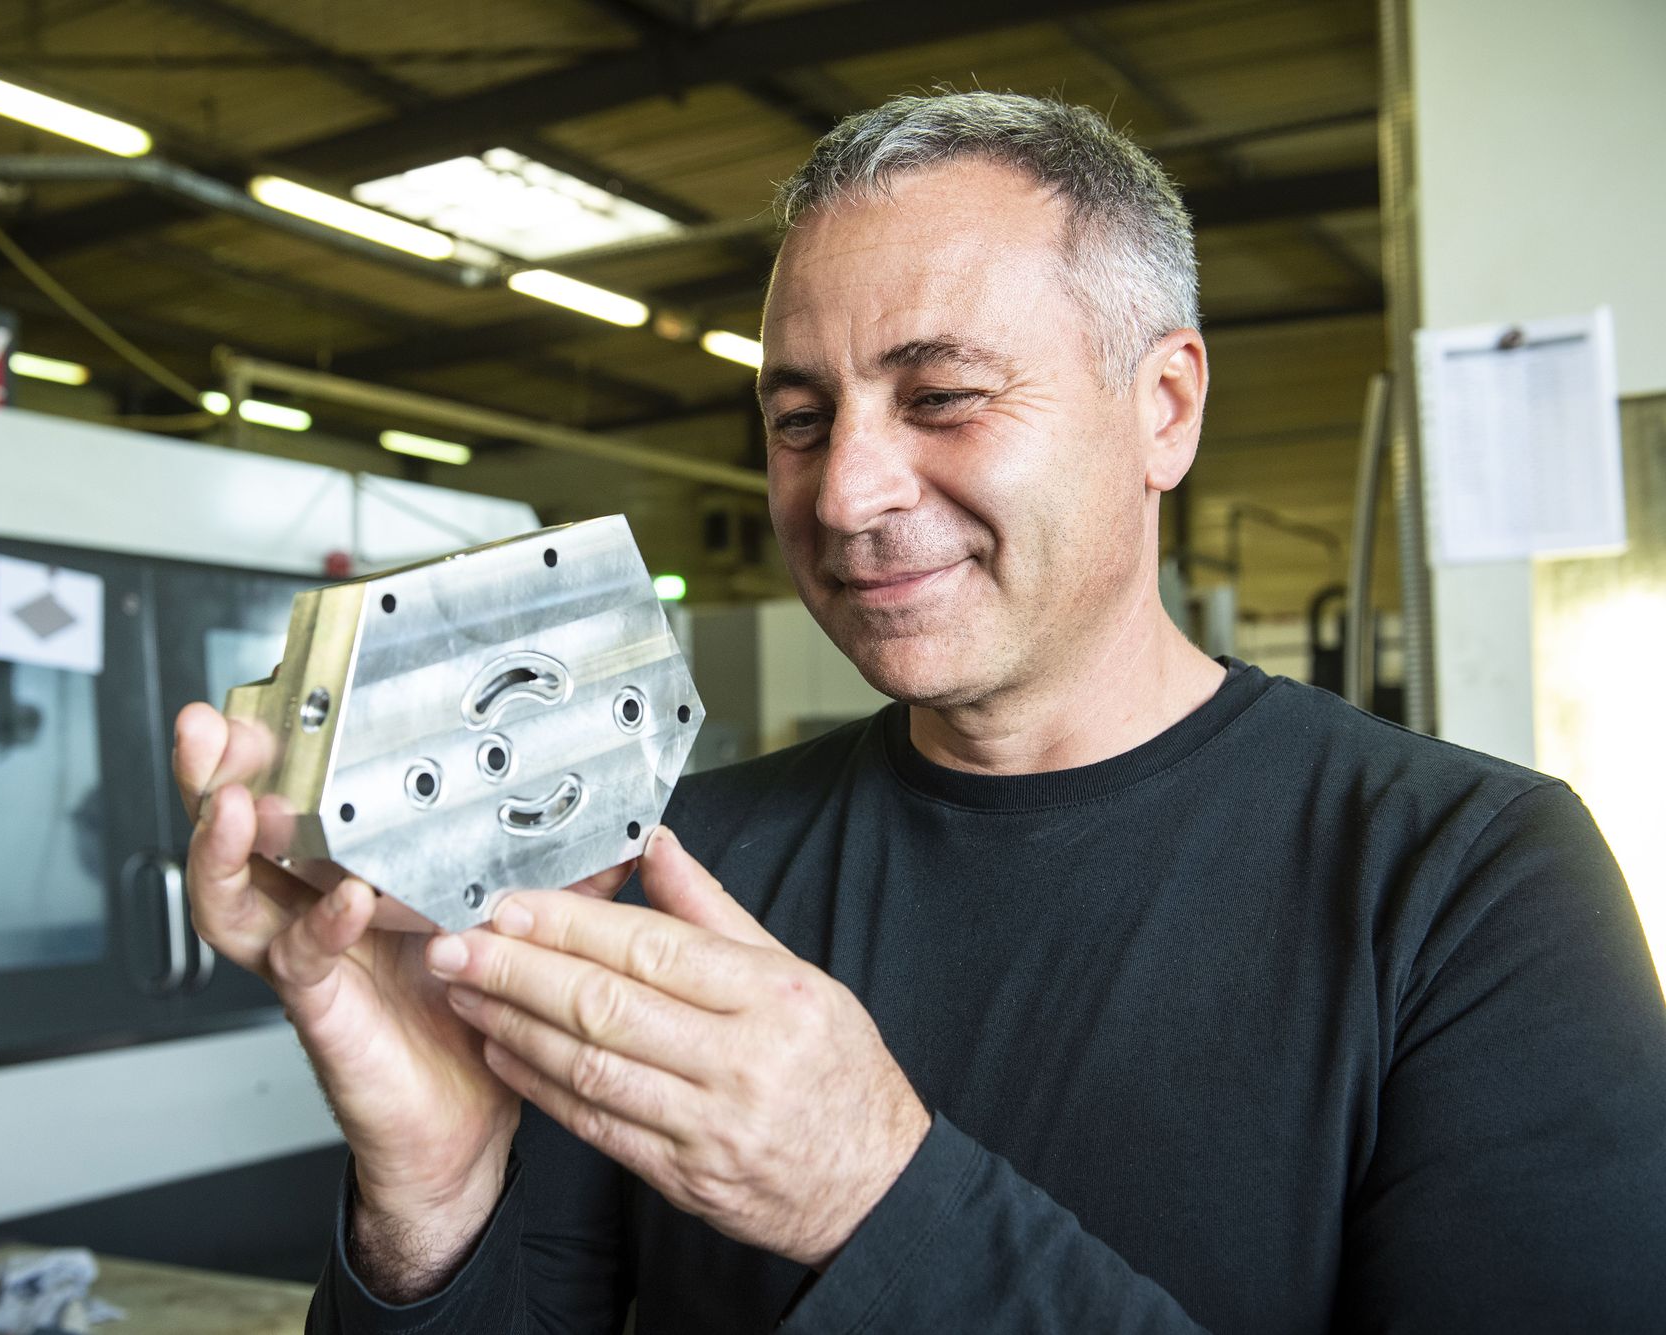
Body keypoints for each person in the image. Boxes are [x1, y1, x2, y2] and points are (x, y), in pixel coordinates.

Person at [172, 92, 1666, 1332]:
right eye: (801, 420)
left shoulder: (1470, 882)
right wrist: (434, 1204)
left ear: (1165, 407)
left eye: (943, 398)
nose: (844, 492)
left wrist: (875, 1200)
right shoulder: (691, 857)